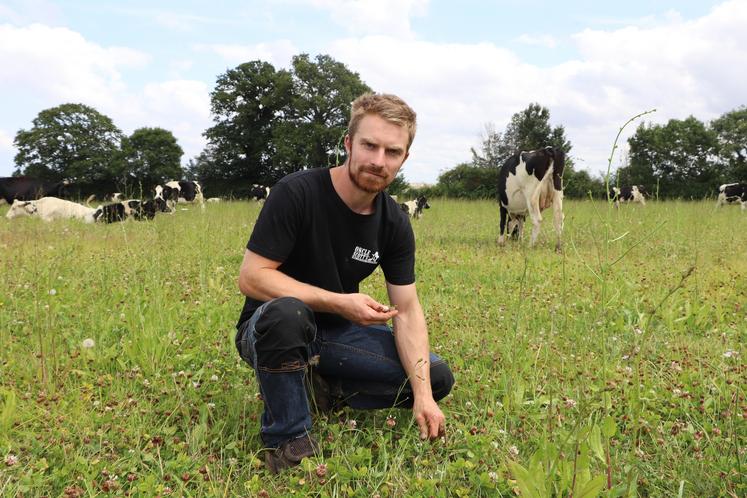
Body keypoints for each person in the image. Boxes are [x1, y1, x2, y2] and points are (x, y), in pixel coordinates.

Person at [235, 92, 454, 474]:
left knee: (435, 377)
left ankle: (323, 388)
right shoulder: (297, 193)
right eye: (369, 145)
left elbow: (407, 309)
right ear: (349, 143)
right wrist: (339, 302)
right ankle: (289, 442)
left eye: (392, 152)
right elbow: (252, 277)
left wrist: (422, 395)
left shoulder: (395, 223)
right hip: (269, 328)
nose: (378, 160)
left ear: (404, 159)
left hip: (337, 337)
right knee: (289, 313)